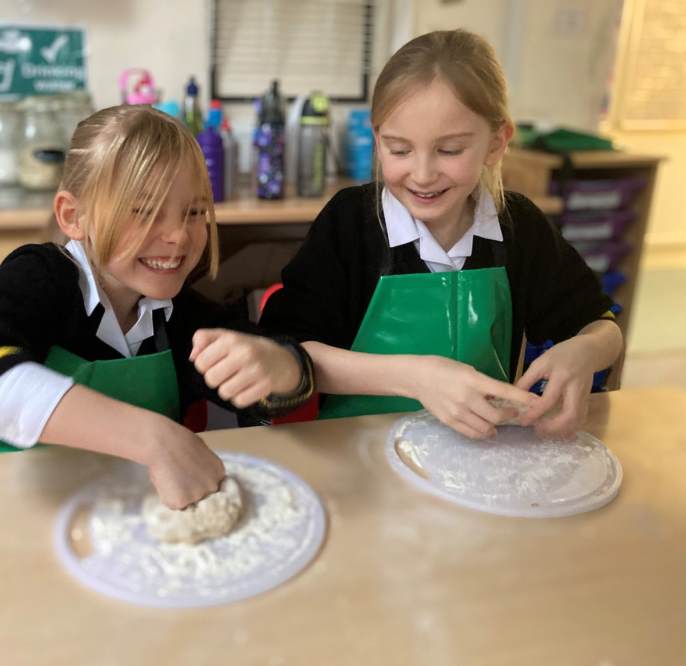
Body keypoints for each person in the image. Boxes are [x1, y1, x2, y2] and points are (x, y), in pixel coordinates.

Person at [0, 105, 314, 510]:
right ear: (73, 217)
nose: (178, 236)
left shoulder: (180, 316)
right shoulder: (42, 281)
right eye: (143, 212)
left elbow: (275, 374)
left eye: (194, 212)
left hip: (118, 515)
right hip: (11, 510)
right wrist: (150, 437)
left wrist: (279, 367)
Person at [261, 29, 621, 442]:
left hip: (478, 455)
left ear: (496, 142)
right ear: (378, 140)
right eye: (399, 149)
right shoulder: (349, 223)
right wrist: (416, 378)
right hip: (356, 454)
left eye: (449, 150)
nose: (423, 174)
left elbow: (602, 326)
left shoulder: (519, 227)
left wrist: (584, 352)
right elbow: (287, 354)